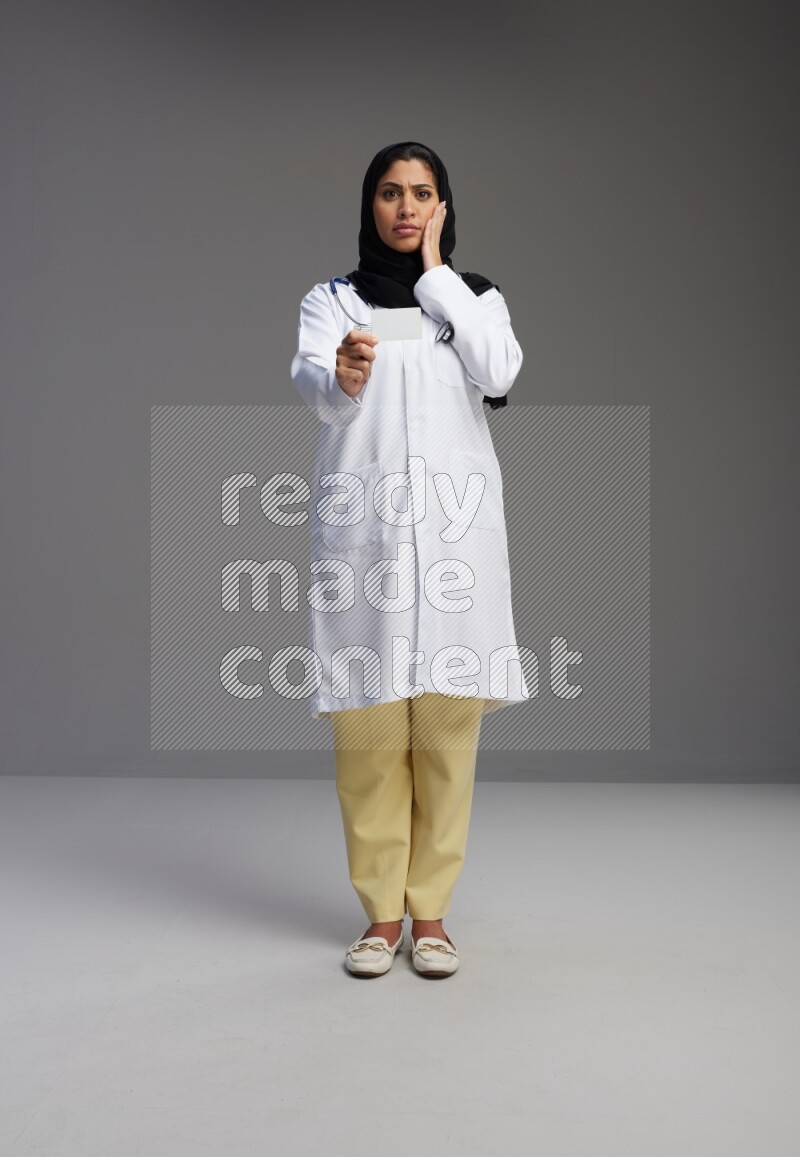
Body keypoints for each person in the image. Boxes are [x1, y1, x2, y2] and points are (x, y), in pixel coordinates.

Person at [290, 141, 529, 978]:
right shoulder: (333, 299)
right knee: (368, 732)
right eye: (390, 193)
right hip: (368, 542)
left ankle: (431, 915)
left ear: (444, 207)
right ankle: (379, 917)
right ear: (370, 204)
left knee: (444, 733)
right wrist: (345, 376)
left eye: (422, 194)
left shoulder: (474, 298)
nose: (405, 207)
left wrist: (438, 277)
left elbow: (499, 369)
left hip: (455, 542)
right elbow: (314, 384)